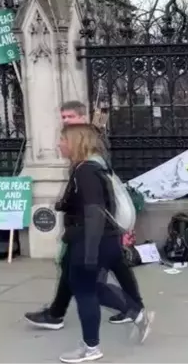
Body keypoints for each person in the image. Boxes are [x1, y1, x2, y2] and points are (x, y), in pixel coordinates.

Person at [25, 102, 144, 328]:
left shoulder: (90, 148)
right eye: (63, 117)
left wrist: (90, 248)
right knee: (104, 266)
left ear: (82, 117)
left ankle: (130, 313)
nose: (66, 121)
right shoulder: (82, 152)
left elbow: (93, 201)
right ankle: (58, 312)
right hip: (92, 226)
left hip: (94, 227)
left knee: (90, 279)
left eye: (70, 116)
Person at [55, 124, 153, 363]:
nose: (59, 145)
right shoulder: (90, 168)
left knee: (86, 292)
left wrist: (89, 254)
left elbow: (94, 212)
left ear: (76, 142)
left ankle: (91, 347)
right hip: (99, 240)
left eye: (63, 140)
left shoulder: (86, 171)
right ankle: (136, 313)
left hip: (91, 240)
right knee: (83, 283)